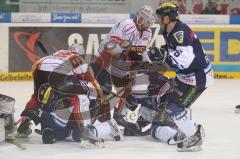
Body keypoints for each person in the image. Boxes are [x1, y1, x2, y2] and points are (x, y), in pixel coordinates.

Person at [17, 42, 118, 141]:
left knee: (37, 96)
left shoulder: (61, 53)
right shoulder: (81, 60)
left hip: (40, 66)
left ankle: (25, 122)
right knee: (83, 93)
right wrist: (101, 92)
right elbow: (91, 82)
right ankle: (84, 129)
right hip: (61, 73)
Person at [148, 2, 214, 151]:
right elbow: (172, 52)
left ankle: (194, 135)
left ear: (167, 18)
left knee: (174, 107)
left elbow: (185, 61)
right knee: (169, 102)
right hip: (186, 76)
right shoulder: (168, 31)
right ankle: (189, 129)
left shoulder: (180, 33)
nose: (158, 20)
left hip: (197, 78)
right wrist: (163, 53)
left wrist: (164, 58)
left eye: (160, 17)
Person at [91, 5, 155, 122]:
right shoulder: (128, 25)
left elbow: (142, 50)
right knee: (104, 89)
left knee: (128, 88)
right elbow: (112, 46)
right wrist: (129, 55)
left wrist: (148, 62)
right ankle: (98, 116)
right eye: (148, 21)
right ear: (140, 19)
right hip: (107, 55)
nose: (149, 25)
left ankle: (118, 115)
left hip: (123, 57)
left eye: (151, 22)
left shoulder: (147, 32)